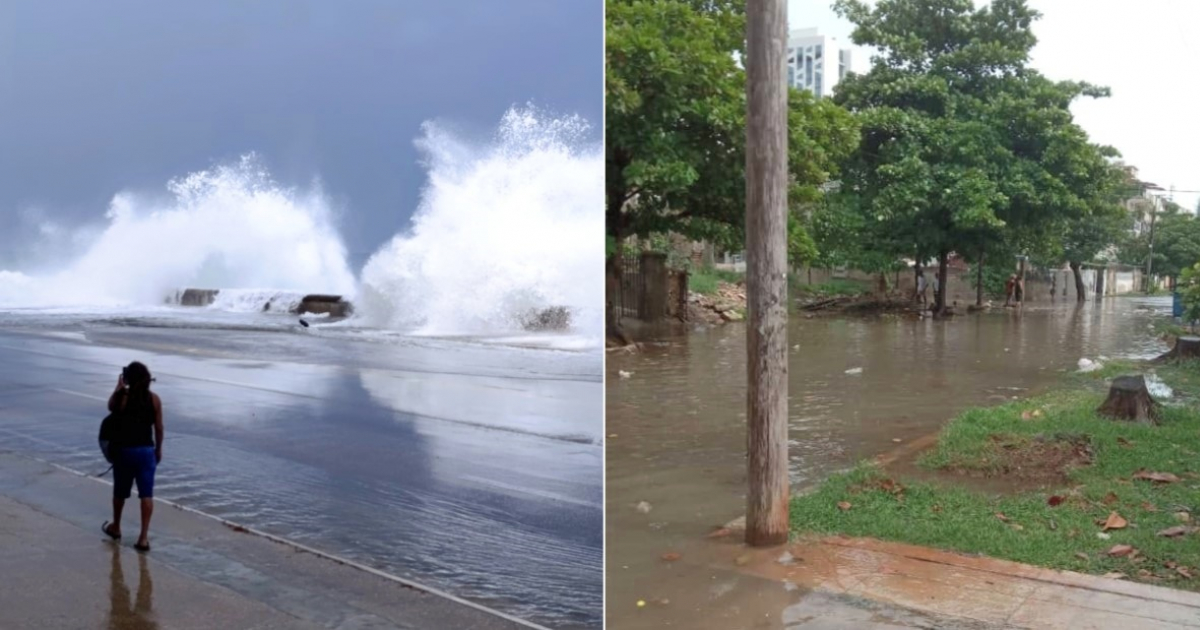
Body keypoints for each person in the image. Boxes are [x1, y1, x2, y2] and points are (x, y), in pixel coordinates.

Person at [101, 362, 163, 552]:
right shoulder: (154, 399)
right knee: (146, 494)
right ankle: (143, 538)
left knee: (120, 493)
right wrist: (158, 449)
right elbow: (159, 428)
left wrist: (118, 388)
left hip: (125, 451)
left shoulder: (123, 398)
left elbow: (110, 407)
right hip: (146, 451)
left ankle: (117, 527)